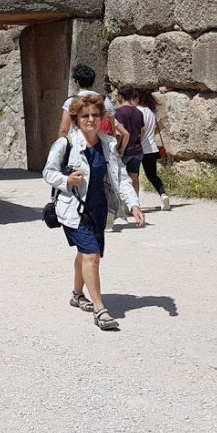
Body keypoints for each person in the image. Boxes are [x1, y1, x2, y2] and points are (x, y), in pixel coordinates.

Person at [43, 93, 144, 332]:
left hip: (98, 209)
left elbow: (120, 177)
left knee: (87, 253)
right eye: (85, 115)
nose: (91, 119)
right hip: (73, 209)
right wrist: (67, 179)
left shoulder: (108, 143)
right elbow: (48, 172)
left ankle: (78, 294)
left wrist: (134, 204)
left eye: (95, 115)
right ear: (76, 119)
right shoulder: (65, 144)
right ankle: (100, 309)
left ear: (102, 118)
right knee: (91, 256)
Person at [58, 64, 130, 152]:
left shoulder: (71, 101)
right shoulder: (104, 100)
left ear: (77, 82)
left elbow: (63, 129)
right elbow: (112, 127)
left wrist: (62, 150)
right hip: (100, 146)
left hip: (78, 145)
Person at [137, 90, 171, 211]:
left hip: (138, 148)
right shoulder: (152, 112)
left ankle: (134, 203)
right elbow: (161, 126)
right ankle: (163, 194)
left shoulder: (137, 111)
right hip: (151, 147)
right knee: (152, 175)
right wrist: (151, 134)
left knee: (133, 176)